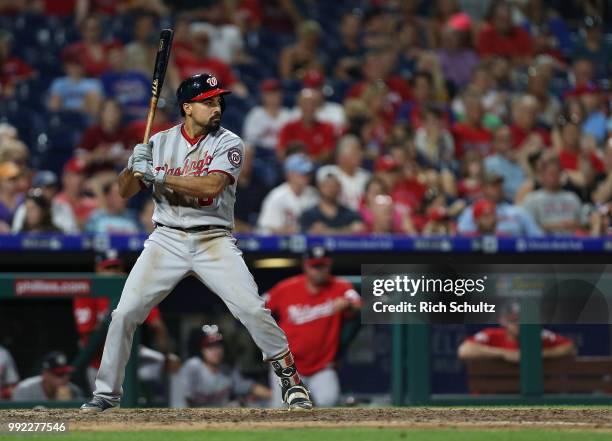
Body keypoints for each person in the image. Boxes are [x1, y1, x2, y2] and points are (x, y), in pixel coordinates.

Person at [81, 73, 313, 412]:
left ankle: (290, 380)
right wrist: (134, 167)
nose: (216, 106)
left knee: (251, 309)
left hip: (213, 238)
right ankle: (106, 394)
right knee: (124, 313)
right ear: (187, 107)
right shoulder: (158, 142)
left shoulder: (229, 142)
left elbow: (211, 187)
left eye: (218, 100)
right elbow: (125, 191)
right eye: (208, 101)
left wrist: (157, 175)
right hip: (167, 238)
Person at [265, 247, 361, 407]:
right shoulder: (286, 288)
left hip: (322, 367)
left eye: (322, 266)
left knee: (328, 402)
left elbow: (359, 306)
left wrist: (348, 305)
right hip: (287, 364)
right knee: (281, 410)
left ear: (329, 266)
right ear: (306, 266)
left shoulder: (341, 287)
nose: (319, 271)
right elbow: (257, 309)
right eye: (315, 266)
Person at [73, 250, 179, 393]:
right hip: (98, 363)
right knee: (106, 407)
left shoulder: (133, 289)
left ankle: (160, 403)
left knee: (170, 363)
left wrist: (167, 357)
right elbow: (89, 337)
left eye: (116, 268)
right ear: (97, 270)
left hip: (132, 358)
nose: (114, 273)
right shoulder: (87, 293)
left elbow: (157, 325)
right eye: (108, 268)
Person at [179, 325, 271, 407]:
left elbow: (250, 387)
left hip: (221, 420)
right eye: (210, 347)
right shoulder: (193, 367)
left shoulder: (227, 369)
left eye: (219, 346)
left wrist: (279, 397)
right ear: (201, 350)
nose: (216, 351)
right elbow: (183, 400)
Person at [458, 302, 576, 363]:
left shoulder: (539, 335)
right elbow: (464, 350)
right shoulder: (492, 335)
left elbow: (570, 348)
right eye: (514, 320)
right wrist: (504, 354)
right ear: (503, 320)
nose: (519, 324)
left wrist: (535, 356)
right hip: (492, 400)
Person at [457, 173, 543, 236]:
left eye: (500, 185)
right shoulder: (471, 211)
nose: (498, 189)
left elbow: (537, 237)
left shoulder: (518, 211)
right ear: (483, 189)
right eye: (494, 186)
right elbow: (462, 237)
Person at [257, 153, 319, 234]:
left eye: (308, 173)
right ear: (290, 175)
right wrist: (285, 231)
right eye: (302, 173)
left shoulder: (313, 194)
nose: (307, 176)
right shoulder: (277, 196)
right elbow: (265, 229)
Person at [522, 155, 584, 235]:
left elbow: (583, 224)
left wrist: (574, 225)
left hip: (571, 242)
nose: (554, 177)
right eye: (550, 173)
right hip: (541, 243)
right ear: (542, 176)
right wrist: (555, 226)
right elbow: (527, 227)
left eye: (557, 173)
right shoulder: (532, 199)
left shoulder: (572, 197)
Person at [277, 88, 337, 163]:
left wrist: (307, 161)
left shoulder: (327, 127)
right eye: (305, 103)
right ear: (299, 105)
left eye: (313, 104)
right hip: (293, 169)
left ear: (317, 106)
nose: (309, 107)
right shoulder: (288, 127)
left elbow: (327, 153)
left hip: (317, 167)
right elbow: (281, 153)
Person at [300, 168, 365, 235]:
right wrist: (346, 230)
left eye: (334, 185)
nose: (331, 189)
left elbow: (359, 229)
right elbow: (302, 235)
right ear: (319, 187)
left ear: (340, 187)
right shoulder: (309, 215)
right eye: (327, 185)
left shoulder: (349, 214)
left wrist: (326, 231)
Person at [12, 171, 78, 233]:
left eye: (51, 187)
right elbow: (15, 234)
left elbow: (72, 234)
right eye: (45, 187)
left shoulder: (63, 207)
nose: (49, 191)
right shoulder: (24, 208)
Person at [47, 46, 103, 117]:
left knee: (92, 96)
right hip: (64, 118)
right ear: (65, 66)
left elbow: (95, 109)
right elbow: (53, 107)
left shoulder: (93, 83)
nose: (74, 67)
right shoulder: (59, 83)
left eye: (77, 64)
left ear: (83, 66)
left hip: (86, 118)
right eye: (71, 64)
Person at [12, 351, 83, 401]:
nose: (63, 379)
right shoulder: (25, 389)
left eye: (65, 374)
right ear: (45, 374)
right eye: (58, 375)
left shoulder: (74, 391)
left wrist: (66, 405)